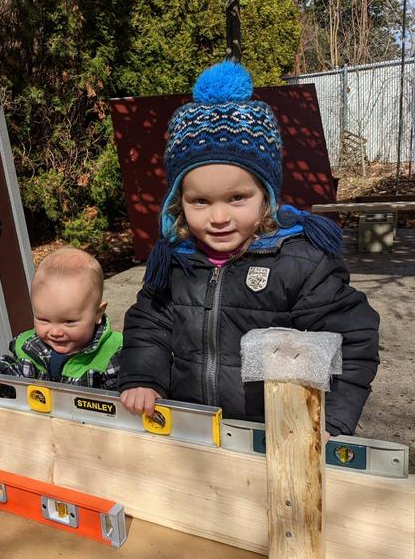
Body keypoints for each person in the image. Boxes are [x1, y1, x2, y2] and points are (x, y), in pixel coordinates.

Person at [118, 61, 379, 438]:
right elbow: (150, 323)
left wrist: (331, 419)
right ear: (179, 200)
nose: (219, 216)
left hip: (274, 436)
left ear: (267, 197)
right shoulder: (177, 260)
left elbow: (351, 337)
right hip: (192, 432)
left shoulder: (299, 261)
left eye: (238, 198)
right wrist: (144, 377)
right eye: (200, 201)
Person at [0, 247, 121, 391]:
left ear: (98, 313)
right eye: (44, 320)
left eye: (69, 322)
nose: (54, 332)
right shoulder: (29, 346)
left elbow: (120, 408)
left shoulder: (114, 354)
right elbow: (15, 377)